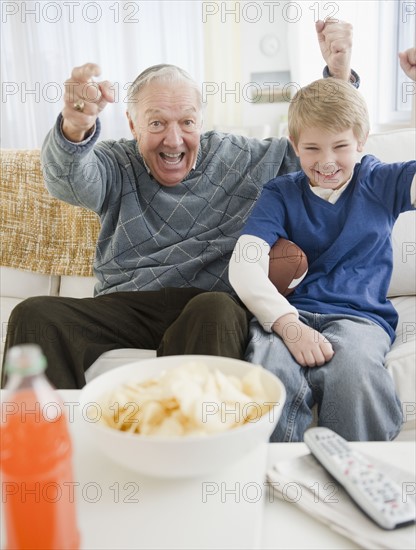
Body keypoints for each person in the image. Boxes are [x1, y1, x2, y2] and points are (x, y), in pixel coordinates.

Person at [3, 20, 357, 389]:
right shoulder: (115, 162)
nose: (173, 141)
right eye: (156, 123)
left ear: (201, 119)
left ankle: (196, 441)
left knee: (216, 309)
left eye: (186, 122)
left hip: (208, 304)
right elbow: (69, 180)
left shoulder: (239, 156)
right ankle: (49, 443)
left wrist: (338, 76)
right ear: (132, 123)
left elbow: (318, 152)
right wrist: (74, 128)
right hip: (127, 305)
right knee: (33, 314)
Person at [229, 48, 416, 442]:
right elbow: (244, 264)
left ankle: (355, 476)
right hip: (290, 314)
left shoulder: (379, 182)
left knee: (354, 375)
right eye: (312, 149)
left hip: (360, 319)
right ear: (294, 144)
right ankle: (272, 480)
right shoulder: (279, 193)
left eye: (341, 147)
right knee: (268, 379)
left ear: (362, 141)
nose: (327, 161)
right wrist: (288, 326)